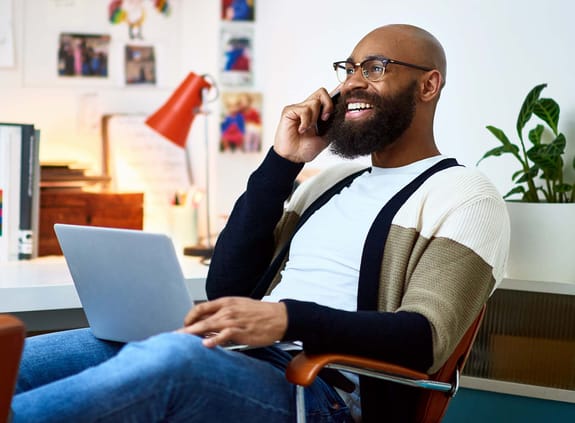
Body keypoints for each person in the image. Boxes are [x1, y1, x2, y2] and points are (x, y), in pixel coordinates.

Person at [11, 24, 509, 422]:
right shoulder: (327, 181)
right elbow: (227, 282)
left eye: (376, 68)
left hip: (320, 392)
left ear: (428, 84)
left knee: (169, 364)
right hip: (237, 356)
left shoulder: (465, 195)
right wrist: (283, 162)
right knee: (23, 358)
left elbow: (423, 339)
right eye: (349, 68)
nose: (353, 81)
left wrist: (286, 318)